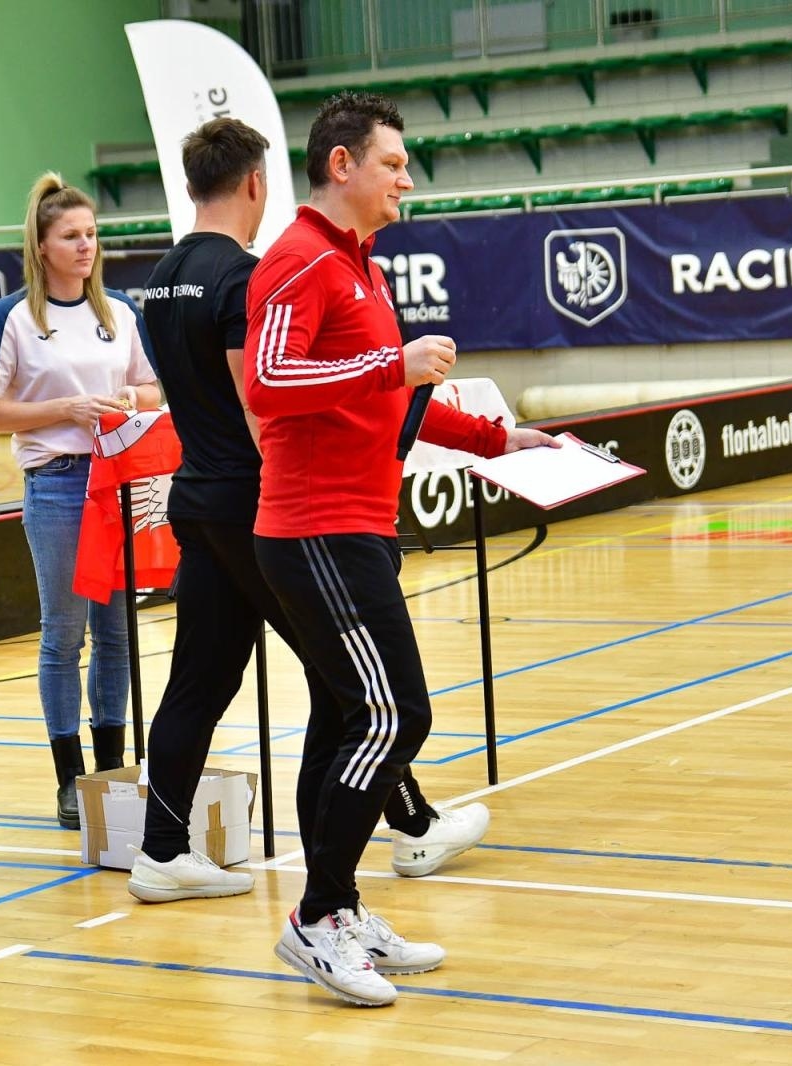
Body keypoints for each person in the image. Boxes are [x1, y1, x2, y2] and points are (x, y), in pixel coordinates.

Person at [245, 92, 558, 1007]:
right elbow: (267, 382)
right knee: (397, 717)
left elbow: (399, 403)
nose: (405, 179)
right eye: (392, 163)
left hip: (359, 527)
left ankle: (337, 908)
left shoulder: (364, 270)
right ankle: (315, 920)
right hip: (314, 529)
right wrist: (393, 363)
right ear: (341, 166)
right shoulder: (299, 261)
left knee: (349, 721)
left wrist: (506, 442)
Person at [126, 119, 489, 905]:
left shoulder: (160, 278)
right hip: (271, 507)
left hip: (196, 495)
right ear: (257, 182)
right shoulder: (251, 273)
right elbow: (263, 398)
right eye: (393, 163)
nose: (402, 177)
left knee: (200, 680)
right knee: (355, 686)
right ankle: (401, 836)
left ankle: (160, 849)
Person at [0, 175, 161, 828]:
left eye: (92, 234)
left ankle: (111, 773)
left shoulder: (120, 312)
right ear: (43, 246)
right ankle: (68, 779)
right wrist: (65, 410)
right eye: (72, 236)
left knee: (115, 633)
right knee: (64, 632)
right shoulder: (14, 319)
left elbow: (154, 391)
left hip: (118, 483)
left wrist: (126, 402)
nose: (86, 246)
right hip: (56, 485)